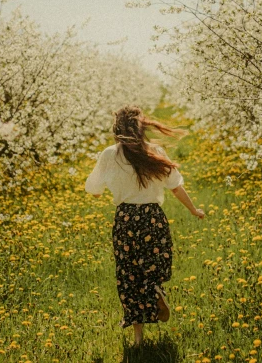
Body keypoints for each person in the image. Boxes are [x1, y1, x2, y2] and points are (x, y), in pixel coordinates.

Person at [84, 105, 205, 346]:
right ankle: (155, 289)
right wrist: (193, 210)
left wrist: (106, 189)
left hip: (126, 219)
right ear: (142, 127)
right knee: (153, 265)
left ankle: (138, 337)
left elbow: (94, 189)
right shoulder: (155, 151)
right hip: (152, 218)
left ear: (116, 128)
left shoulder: (109, 154)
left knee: (128, 275)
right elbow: (176, 187)